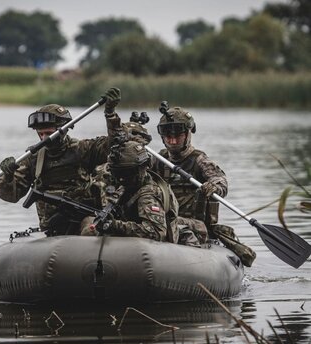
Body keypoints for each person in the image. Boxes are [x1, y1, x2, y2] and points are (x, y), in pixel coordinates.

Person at [0, 88, 121, 235]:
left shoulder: (82, 149)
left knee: (90, 230)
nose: (43, 139)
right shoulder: (32, 158)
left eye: (48, 133)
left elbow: (115, 146)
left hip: (83, 217)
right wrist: (7, 177)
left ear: (64, 129)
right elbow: (11, 196)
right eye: (40, 133)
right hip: (52, 224)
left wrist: (110, 114)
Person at [152, 102, 256, 265]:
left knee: (168, 222)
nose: (172, 140)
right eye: (167, 136)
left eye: (177, 135)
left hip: (197, 225)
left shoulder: (199, 160)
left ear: (187, 134)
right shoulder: (158, 160)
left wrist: (213, 186)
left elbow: (220, 180)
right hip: (166, 218)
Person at [82, 140, 179, 243]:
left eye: (126, 173)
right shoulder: (130, 184)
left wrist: (115, 225)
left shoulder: (148, 195)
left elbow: (156, 233)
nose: (121, 179)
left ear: (143, 167)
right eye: (117, 173)